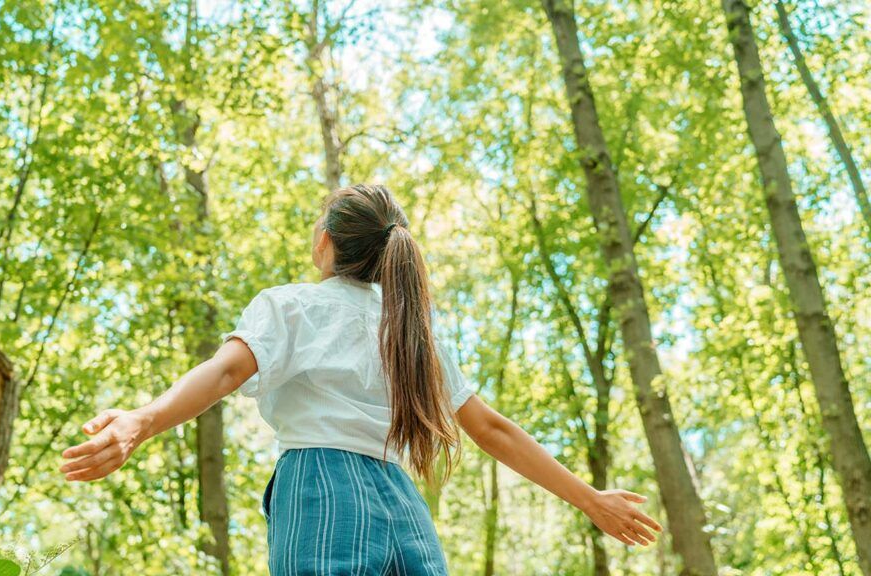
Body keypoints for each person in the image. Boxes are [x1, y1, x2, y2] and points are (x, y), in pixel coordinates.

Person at [60, 184, 662, 574]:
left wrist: (142, 419)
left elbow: (223, 373)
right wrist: (590, 499)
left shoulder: (293, 305)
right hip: (402, 502)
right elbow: (492, 428)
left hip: (320, 486)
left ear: (326, 242)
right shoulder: (414, 331)